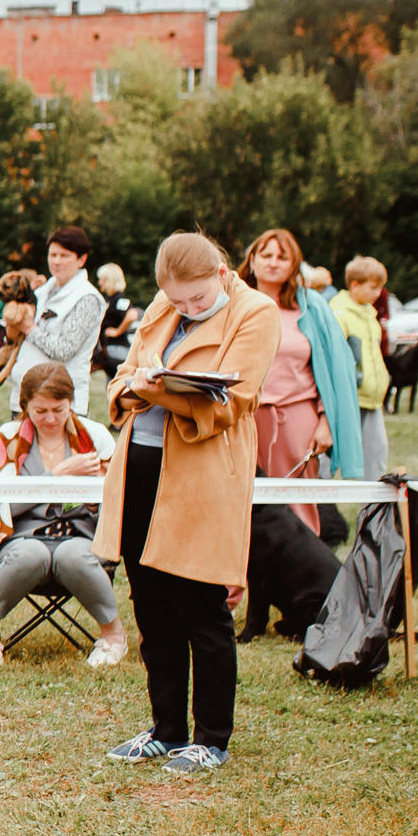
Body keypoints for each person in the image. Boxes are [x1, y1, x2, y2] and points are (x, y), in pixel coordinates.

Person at [98, 233, 280, 774]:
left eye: (197, 301)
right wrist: (135, 387)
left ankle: (212, 738)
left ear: (222, 272)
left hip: (201, 477)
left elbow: (233, 402)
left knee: (201, 608)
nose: (186, 310)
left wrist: (151, 389)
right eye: (177, 302)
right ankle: (165, 729)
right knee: (152, 609)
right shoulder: (163, 303)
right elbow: (121, 379)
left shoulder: (257, 312)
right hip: (140, 469)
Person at [0, 364, 123, 667]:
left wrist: (86, 491)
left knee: (73, 556)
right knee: (30, 554)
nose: (50, 419)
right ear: (24, 405)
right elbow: (1, 508)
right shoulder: (8, 438)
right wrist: (57, 476)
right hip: (22, 536)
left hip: (80, 535)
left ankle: (114, 636)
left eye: (59, 409)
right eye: (40, 411)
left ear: (72, 403)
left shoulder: (96, 437)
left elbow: (113, 502)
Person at [241, 228, 362, 532]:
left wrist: (325, 421)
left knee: (298, 506)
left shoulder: (310, 305)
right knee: (240, 504)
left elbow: (335, 365)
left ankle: (302, 576)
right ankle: (240, 580)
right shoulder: (234, 302)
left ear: (294, 265)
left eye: (282, 257)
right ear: (252, 260)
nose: (273, 263)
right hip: (241, 418)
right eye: (266, 255)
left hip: (295, 419)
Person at [6, 226, 106, 416]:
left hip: (57, 406)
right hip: (24, 398)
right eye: (53, 255)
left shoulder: (87, 298)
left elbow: (65, 350)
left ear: (81, 259)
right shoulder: (42, 291)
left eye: (64, 255)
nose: (57, 261)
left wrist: (29, 328)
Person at [330, 257, 392, 477]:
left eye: (380, 287)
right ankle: (316, 507)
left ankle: (372, 510)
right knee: (329, 457)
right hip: (348, 400)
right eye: (373, 287)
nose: (378, 293)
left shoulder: (371, 316)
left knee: (377, 456)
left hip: (372, 399)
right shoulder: (339, 315)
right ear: (354, 285)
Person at [96, 264, 137, 386]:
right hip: (110, 349)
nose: (99, 282)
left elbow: (132, 315)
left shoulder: (119, 299)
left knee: (116, 386)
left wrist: (117, 331)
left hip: (118, 350)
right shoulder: (109, 300)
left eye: (102, 279)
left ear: (109, 280)